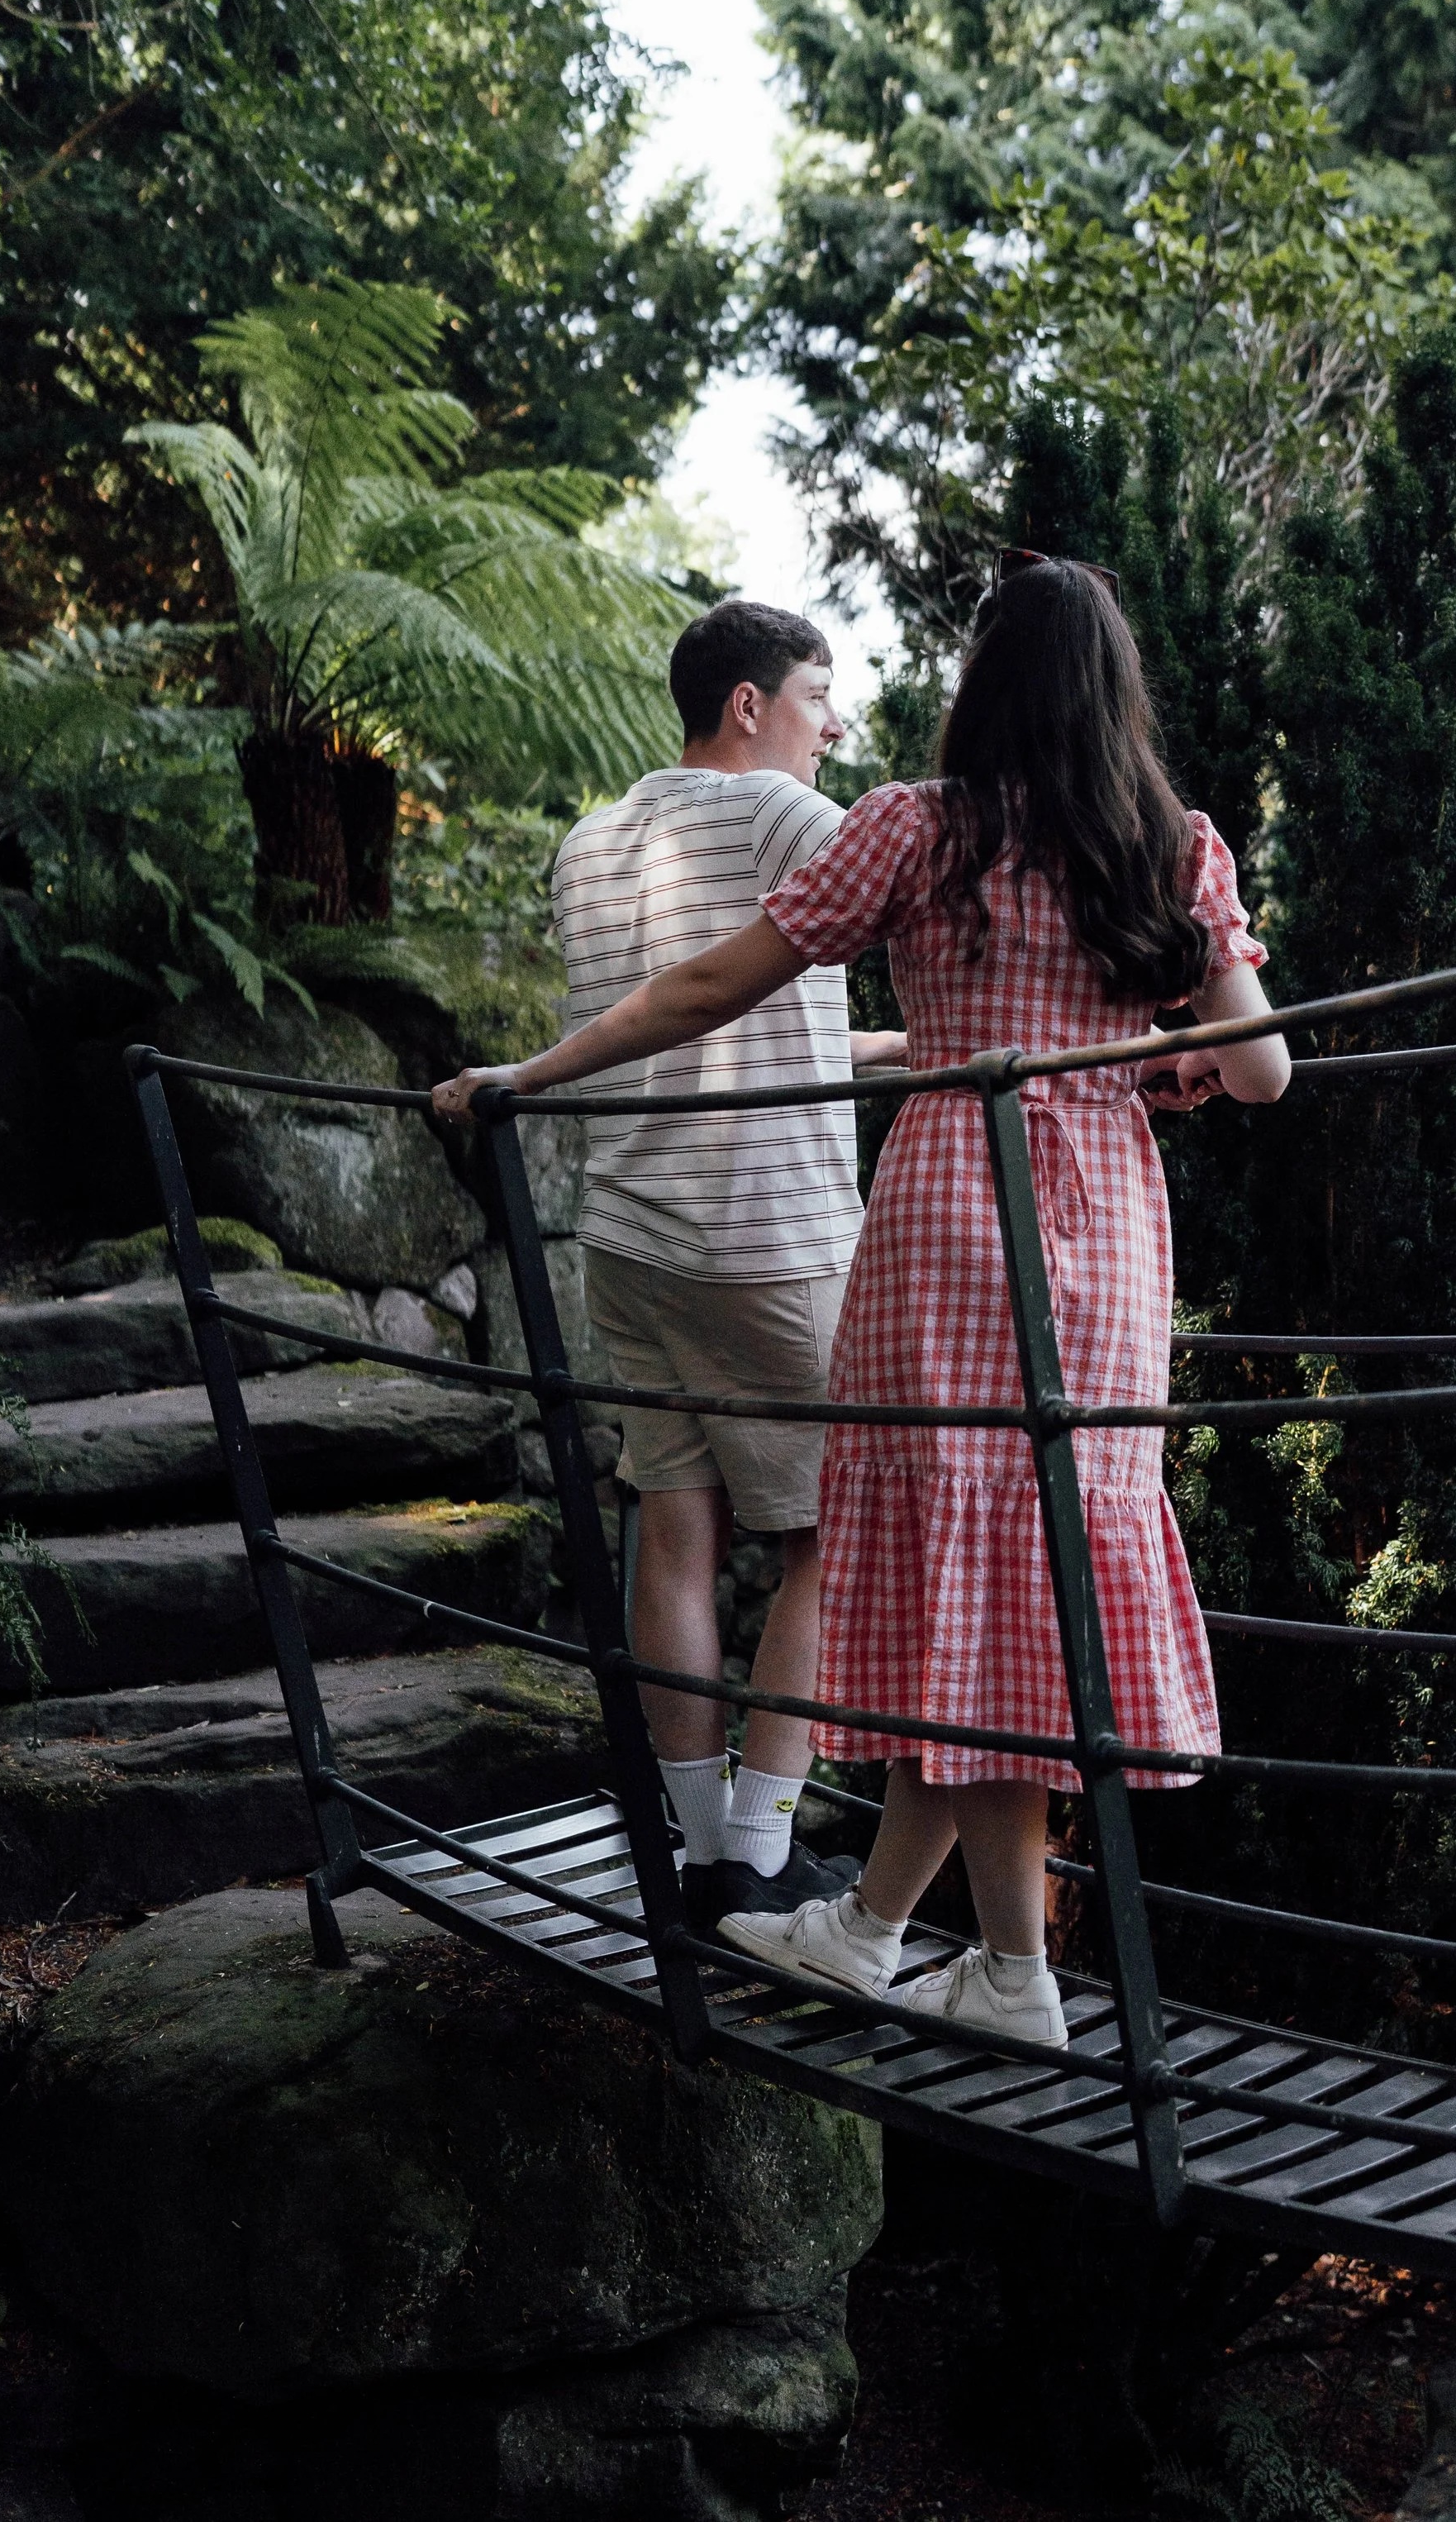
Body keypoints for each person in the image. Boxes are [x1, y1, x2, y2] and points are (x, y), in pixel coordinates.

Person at [435, 557, 1289, 2048]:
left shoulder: (917, 828)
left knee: (962, 1564)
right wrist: (1134, 1067)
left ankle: (908, 1939)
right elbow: (1263, 1070)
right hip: (1107, 1235)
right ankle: (970, 1959)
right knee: (1033, 1570)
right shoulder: (1174, 845)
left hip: (951, 1212)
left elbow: (708, 990)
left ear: (984, 683)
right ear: (1117, 692)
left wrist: (535, 1074)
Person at [479, 597, 904, 1933]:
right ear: (748, 704)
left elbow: (700, 1023)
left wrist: (908, 1054)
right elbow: (735, 993)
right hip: (767, 1239)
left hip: (631, 1235)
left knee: (674, 1524)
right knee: (838, 1531)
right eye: (817, 698)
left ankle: (696, 1841)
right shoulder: (789, 817)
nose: (833, 727)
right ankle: (760, 1854)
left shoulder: (592, 843)